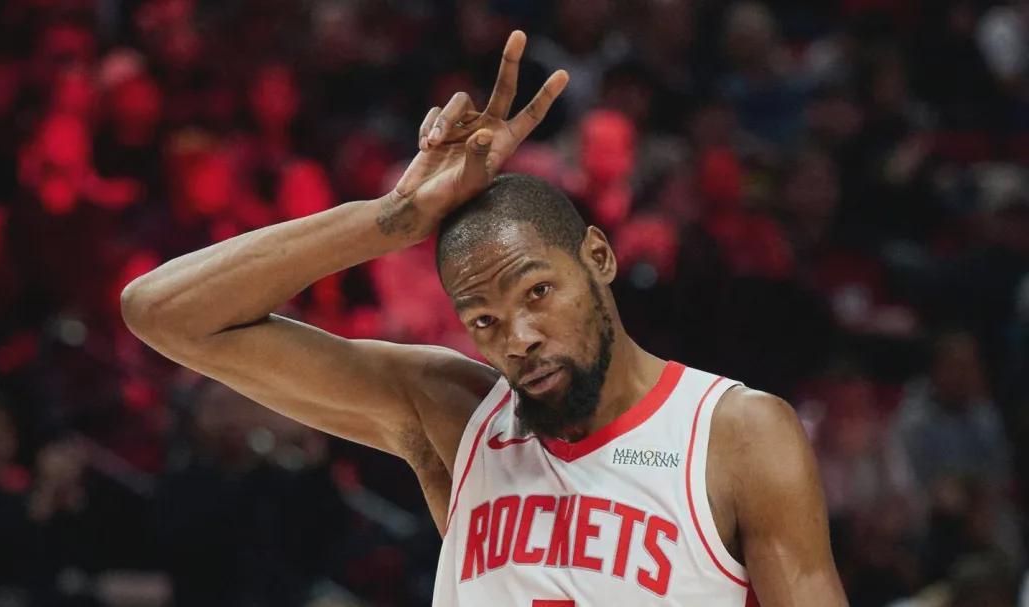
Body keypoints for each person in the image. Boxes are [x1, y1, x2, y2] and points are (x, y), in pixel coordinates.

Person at [122, 31, 847, 606]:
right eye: (484, 321)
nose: (519, 337)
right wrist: (389, 219)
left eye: (537, 293)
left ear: (598, 257)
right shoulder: (454, 413)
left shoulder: (736, 434)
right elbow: (162, 313)